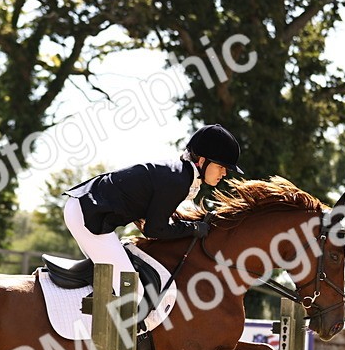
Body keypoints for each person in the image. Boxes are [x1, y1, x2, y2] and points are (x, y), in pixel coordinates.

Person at [63, 124, 244, 295]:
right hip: (86, 213)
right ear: (202, 161)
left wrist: (190, 227)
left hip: (83, 206)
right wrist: (193, 228)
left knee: (119, 280)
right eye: (221, 166)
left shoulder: (179, 174)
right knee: (132, 291)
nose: (224, 173)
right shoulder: (178, 181)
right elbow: (154, 229)